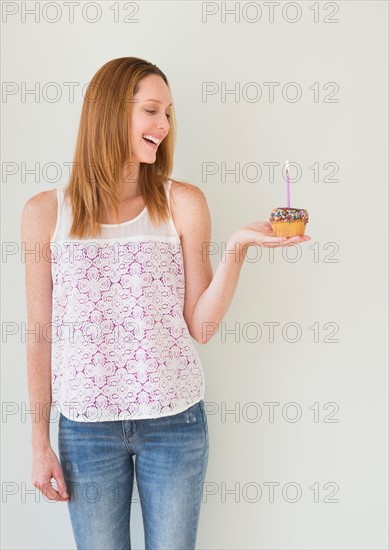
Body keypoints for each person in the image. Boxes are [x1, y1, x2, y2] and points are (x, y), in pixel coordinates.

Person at [21, 56, 311, 550]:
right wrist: (37, 440)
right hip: (86, 429)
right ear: (111, 112)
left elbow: (201, 326)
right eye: (152, 111)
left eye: (169, 113)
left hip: (174, 423)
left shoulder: (184, 203)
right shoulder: (45, 213)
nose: (164, 125)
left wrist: (236, 250)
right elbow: (40, 335)